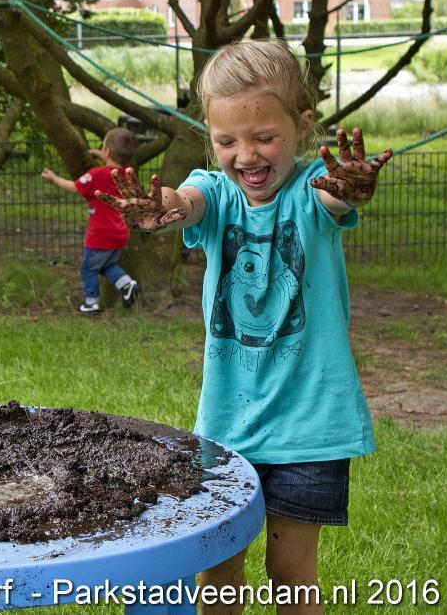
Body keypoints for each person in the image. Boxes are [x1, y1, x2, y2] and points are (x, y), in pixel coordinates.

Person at [97, 39, 392, 614]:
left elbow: (336, 201)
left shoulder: (313, 189)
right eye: (227, 141)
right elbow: (185, 202)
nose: (246, 156)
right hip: (226, 426)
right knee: (218, 568)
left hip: (310, 428)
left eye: (264, 137)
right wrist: (161, 208)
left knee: (291, 573)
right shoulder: (216, 191)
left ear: (302, 125)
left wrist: (351, 188)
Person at [41, 127, 141, 313]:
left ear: (107, 151)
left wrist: (54, 178)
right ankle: (127, 285)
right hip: (120, 233)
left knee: (88, 268)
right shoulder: (127, 176)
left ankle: (91, 303)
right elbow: (113, 165)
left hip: (100, 234)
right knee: (106, 265)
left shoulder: (97, 174)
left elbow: (74, 187)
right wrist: (100, 153)